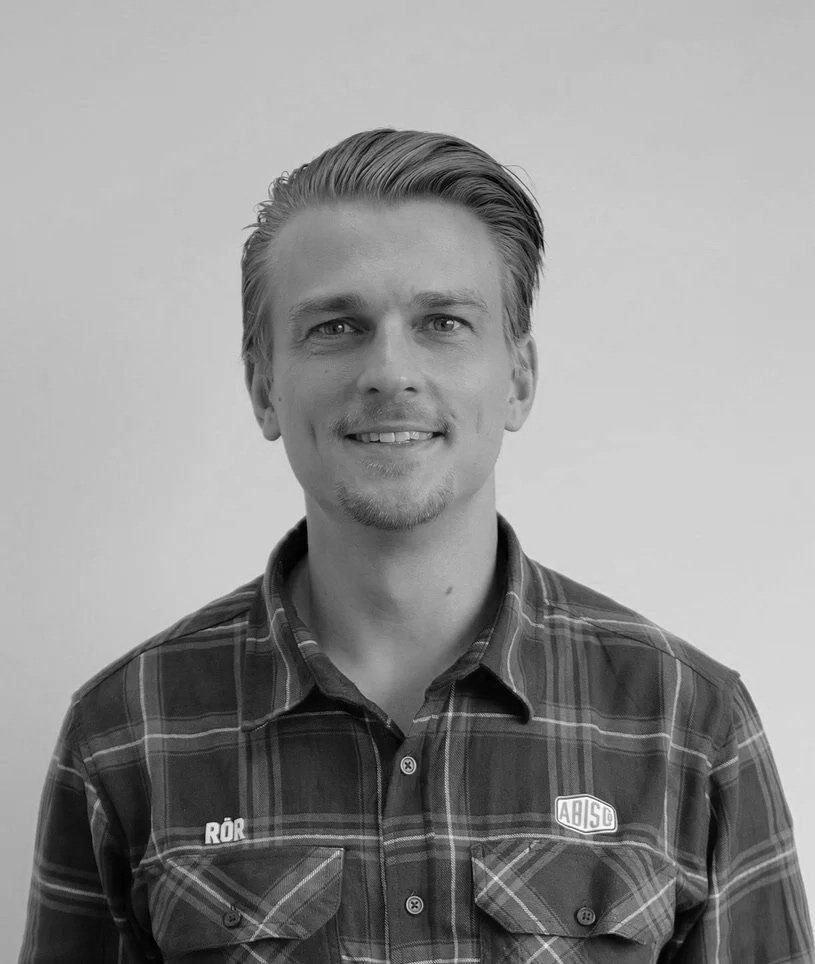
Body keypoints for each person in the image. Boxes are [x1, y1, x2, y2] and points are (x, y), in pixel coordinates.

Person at [20, 128, 813, 963]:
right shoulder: (126, 730)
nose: (389, 371)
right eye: (335, 326)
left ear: (518, 378)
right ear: (263, 386)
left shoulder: (685, 722)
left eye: (442, 321)